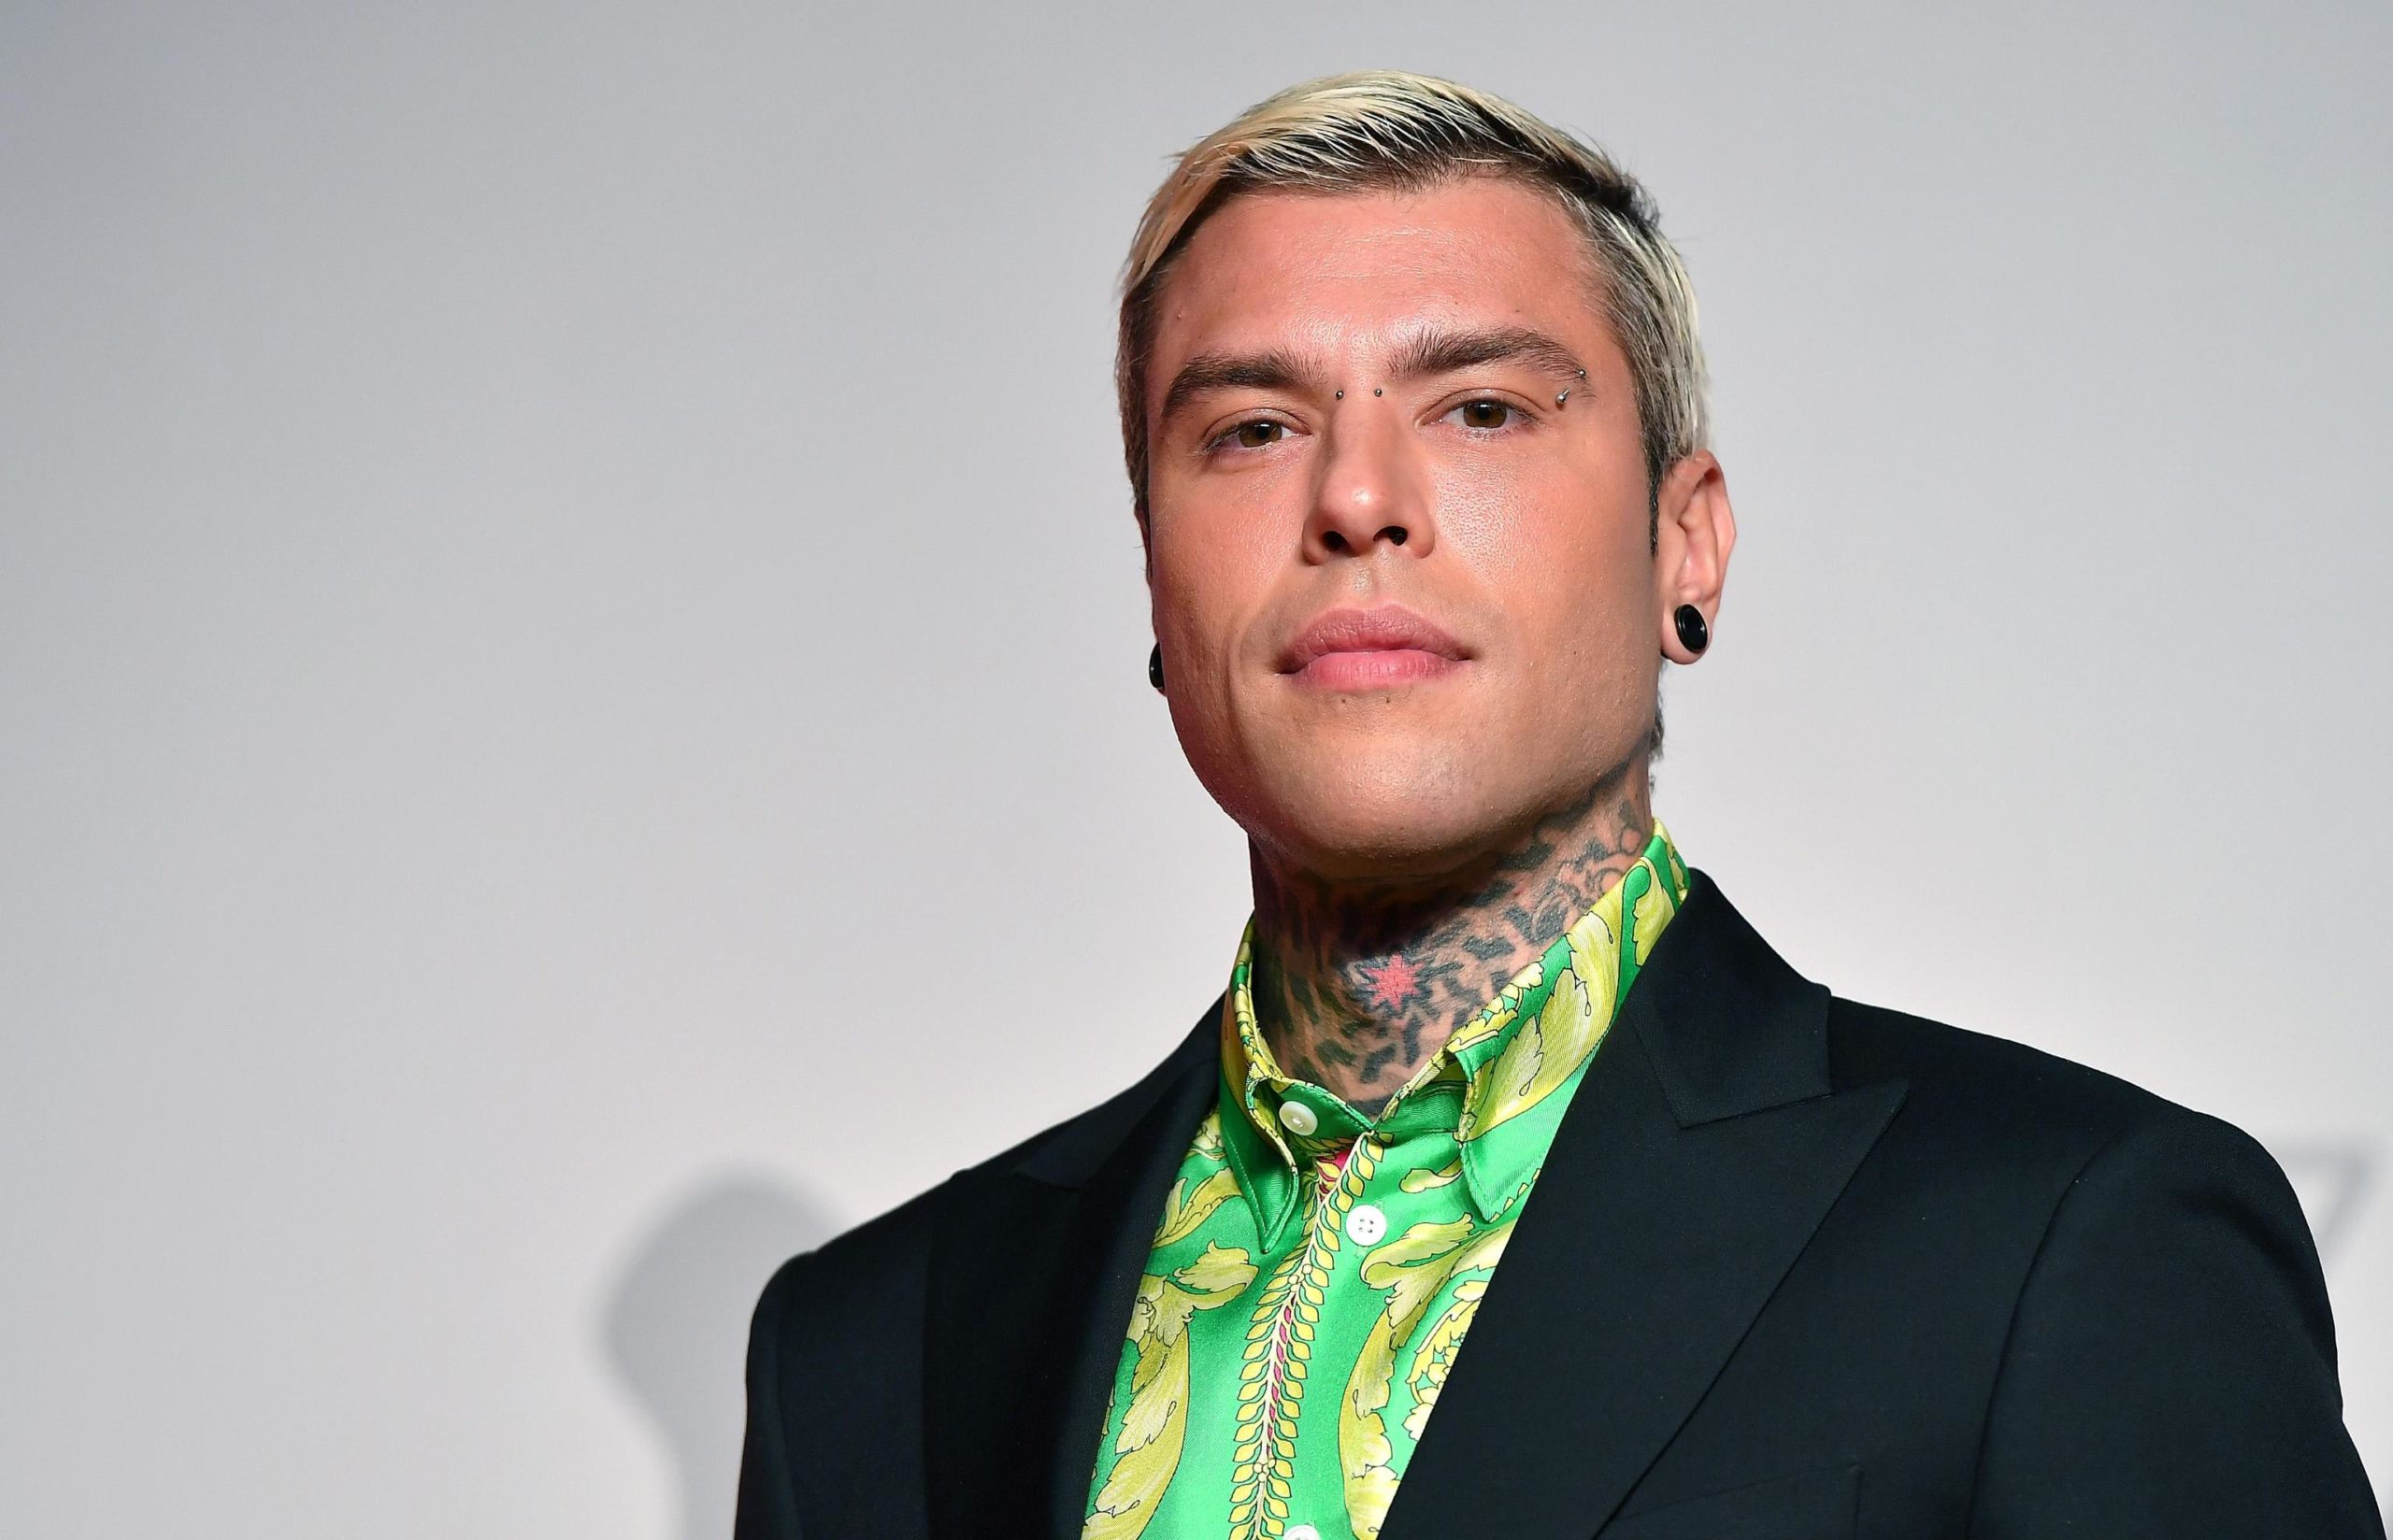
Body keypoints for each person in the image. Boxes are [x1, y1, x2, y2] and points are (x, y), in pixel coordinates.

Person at [734, 71, 2383, 1539]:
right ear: (1155, 576)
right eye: (1250, 429)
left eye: (1482, 409)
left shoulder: (2066, 1236)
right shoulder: (866, 1351)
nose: (1356, 498)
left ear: (1686, 543)